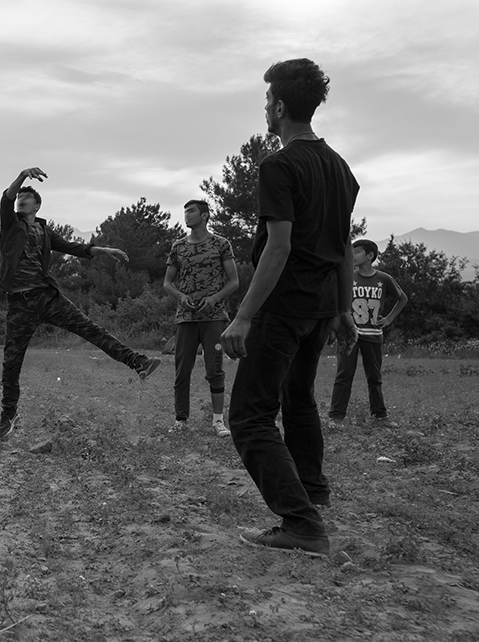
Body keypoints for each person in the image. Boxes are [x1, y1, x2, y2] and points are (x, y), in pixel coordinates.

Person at [219, 58, 359, 558]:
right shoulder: (340, 167)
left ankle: (301, 524)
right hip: (320, 308)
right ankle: (312, 493)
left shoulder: (279, 165)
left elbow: (279, 247)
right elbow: (342, 246)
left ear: (279, 107)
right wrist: (343, 309)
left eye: (266, 100)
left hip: (283, 307)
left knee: (249, 416)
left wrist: (243, 316)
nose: (265, 108)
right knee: (298, 398)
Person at [0, 167, 162, 441]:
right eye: (19, 197)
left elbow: (75, 248)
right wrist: (23, 175)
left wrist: (103, 250)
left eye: (26, 198)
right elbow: (6, 197)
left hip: (47, 297)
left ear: (37, 206)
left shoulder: (44, 231)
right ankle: (9, 413)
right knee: (11, 362)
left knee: (91, 329)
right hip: (20, 304)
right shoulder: (11, 224)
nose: (20, 199)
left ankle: (138, 362)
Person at [163, 199, 239, 436]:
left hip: (213, 318)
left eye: (191, 211)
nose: (186, 215)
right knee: (182, 370)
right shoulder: (178, 247)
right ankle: (181, 420)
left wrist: (214, 299)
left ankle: (218, 421)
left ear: (204, 215)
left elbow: (234, 281)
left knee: (214, 369)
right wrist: (181, 297)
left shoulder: (221, 244)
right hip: (185, 319)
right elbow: (167, 283)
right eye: (185, 212)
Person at [328, 239, 407, 426]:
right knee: (344, 375)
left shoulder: (384, 279)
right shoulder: (348, 277)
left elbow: (402, 298)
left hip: (373, 335)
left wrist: (389, 319)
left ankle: (380, 416)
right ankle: (336, 417)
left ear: (370, 255)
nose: (353, 256)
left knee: (374, 377)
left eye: (357, 252)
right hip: (349, 335)